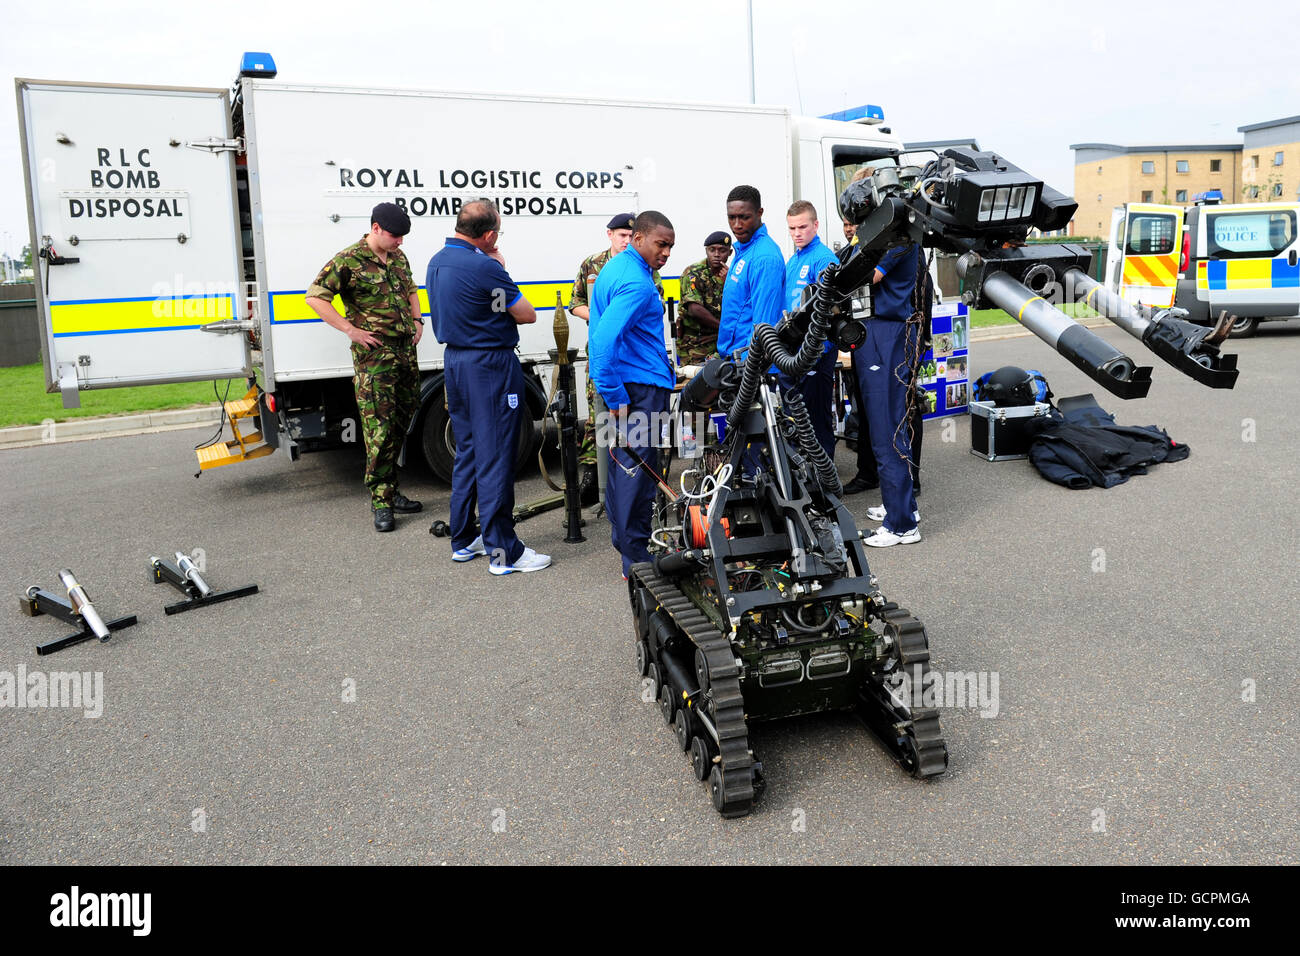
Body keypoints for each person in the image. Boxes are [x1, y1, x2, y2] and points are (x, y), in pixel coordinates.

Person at [426, 199, 551, 574]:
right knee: (497, 454)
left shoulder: (437, 260)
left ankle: (463, 539)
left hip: (456, 364)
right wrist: (499, 267)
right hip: (490, 365)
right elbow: (526, 314)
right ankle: (503, 553)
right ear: (490, 234)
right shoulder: (485, 267)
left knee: (468, 452)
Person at [305, 202, 424, 532]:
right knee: (379, 429)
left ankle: (393, 488)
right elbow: (315, 297)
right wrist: (350, 330)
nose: (400, 242)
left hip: (404, 353)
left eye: (402, 237)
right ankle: (381, 500)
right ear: (375, 229)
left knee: (402, 420)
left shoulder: (398, 257)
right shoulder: (349, 259)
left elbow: (411, 288)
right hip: (374, 360)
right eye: (394, 236)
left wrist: (417, 320)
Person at [588, 211, 676, 579]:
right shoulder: (637, 283)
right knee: (637, 474)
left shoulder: (617, 267)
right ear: (638, 238)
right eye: (661, 243)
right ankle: (637, 560)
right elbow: (603, 343)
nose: (667, 252)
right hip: (636, 390)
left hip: (628, 386)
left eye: (671, 246)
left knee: (623, 468)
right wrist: (615, 393)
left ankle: (627, 545)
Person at [569, 214, 665, 504]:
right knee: (603, 426)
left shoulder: (645, 269)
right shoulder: (594, 264)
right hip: (607, 358)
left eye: (629, 234)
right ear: (610, 234)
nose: (625, 239)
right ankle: (595, 478)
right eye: (621, 235)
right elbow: (576, 304)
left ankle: (617, 498)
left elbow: (650, 306)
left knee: (628, 445)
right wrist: (607, 318)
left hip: (621, 357)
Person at [858, 234, 924, 548]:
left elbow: (868, 275)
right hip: (879, 331)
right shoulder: (893, 238)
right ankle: (901, 505)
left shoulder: (898, 239)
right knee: (888, 427)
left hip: (888, 333)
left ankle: (901, 526)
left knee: (888, 431)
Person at [782, 201, 840, 460]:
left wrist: (818, 348)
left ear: (815, 225)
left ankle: (824, 477)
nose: (797, 233)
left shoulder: (824, 258)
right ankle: (804, 471)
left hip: (817, 350)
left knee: (816, 415)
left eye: (803, 226)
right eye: (792, 228)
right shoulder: (794, 259)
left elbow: (833, 307)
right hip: (794, 351)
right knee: (797, 415)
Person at [716, 185, 785, 359]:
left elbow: (764, 327)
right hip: (733, 359)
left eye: (744, 217)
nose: (737, 225)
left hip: (749, 367)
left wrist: (747, 368)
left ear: (759, 212)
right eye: (731, 218)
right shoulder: (744, 250)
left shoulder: (764, 258)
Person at [675, 231, 731, 366]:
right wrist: (724, 328)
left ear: (729, 253)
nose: (717, 254)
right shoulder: (694, 272)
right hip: (696, 345)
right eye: (712, 250)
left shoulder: (733, 273)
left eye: (722, 250)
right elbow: (694, 309)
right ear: (706, 251)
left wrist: (729, 284)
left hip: (722, 343)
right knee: (699, 382)